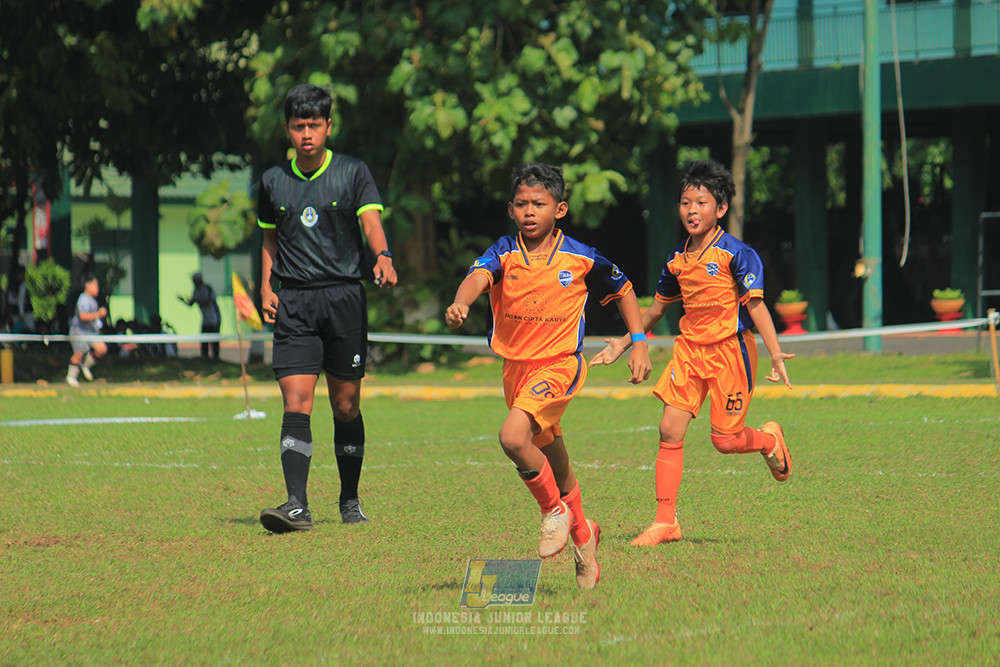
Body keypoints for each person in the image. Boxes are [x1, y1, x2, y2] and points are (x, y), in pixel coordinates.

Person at [445, 163, 651, 590]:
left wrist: (640, 341)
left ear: (560, 209)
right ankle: (583, 535)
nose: (529, 211)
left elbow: (624, 289)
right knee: (557, 465)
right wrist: (461, 303)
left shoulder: (580, 256)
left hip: (558, 365)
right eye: (521, 204)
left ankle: (553, 512)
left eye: (538, 204)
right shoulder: (503, 251)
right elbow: (477, 276)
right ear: (510, 208)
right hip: (515, 370)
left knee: (512, 438)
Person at [590, 159, 794, 547]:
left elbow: (756, 306)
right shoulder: (676, 260)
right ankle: (665, 522)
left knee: (725, 440)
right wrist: (626, 339)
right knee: (669, 429)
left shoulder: (737, 254)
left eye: (701, 203)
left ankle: (769, 441)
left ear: (719, 209)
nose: (692, 210)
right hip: (689, 352)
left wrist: (776, 353)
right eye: (685, 202)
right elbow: (657, 309)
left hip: (731, 353)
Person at [256, 83, 397, 533]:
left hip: (343, 298)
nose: (307, 134)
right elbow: (269, 239)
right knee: (296, 400)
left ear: (328, 126)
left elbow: (371, 221)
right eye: (299, 126)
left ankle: (350, 500)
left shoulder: (353, 172)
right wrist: (265, 286)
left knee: (345, 403)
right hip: (294, 301)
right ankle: (296, 505)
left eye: (314, 125)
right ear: (288, 130)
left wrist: (384, 255)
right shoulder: (272, 180)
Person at [66, 274, 108, 387]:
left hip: (91, 332)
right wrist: (98, 314)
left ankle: (86, 365)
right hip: (79, 331)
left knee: (102, 349)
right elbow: (83, 317)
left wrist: (99, 316)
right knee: (79, 353)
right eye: (95, 286)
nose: (97, 289)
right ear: (88, 285)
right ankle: (71, 377)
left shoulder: (93, 301)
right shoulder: (83, 299)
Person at [178, 273, 221, 360]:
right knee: (204, 340)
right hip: (205, 320)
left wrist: (197, 300)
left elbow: (207, 301)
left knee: (214, 340)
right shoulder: (196, 291)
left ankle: (216, 358)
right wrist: (183, 300)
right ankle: (205, 357)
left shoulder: (208, 289)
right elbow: (191, 303)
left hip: (213, 319)